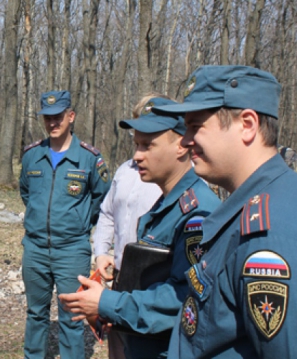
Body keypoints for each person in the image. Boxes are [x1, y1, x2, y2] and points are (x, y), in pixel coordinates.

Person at [154, 65, 297, 358]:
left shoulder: (271, 233)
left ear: (247, 124)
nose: (184, 139)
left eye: (196, 126)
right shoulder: (253, 208)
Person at [59, 95, 220, 359]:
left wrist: (108, 303)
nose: (137, 155)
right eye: (136, 145)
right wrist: (115, 311)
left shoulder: (197, 212)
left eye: (148, 145)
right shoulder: (170, 202)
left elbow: (185, 297)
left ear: (181, 146)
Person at [19, 90, 111, 358]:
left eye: (58, 117)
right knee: (36, 312)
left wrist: (77, 222)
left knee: (72, 314)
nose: (52, 123)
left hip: (72, 249)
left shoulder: (89, 158)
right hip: (35, 248)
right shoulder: (32, 156)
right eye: (47, 118)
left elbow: (101, 199)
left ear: (70, 116)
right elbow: (27, 193)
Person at [93, 103, 162, 359]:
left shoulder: (178, 177)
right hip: (121, 276)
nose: (139, 151)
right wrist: (101, 252)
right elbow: (107, 213)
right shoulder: (124, 170)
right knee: (119, 346)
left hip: (154, 281)